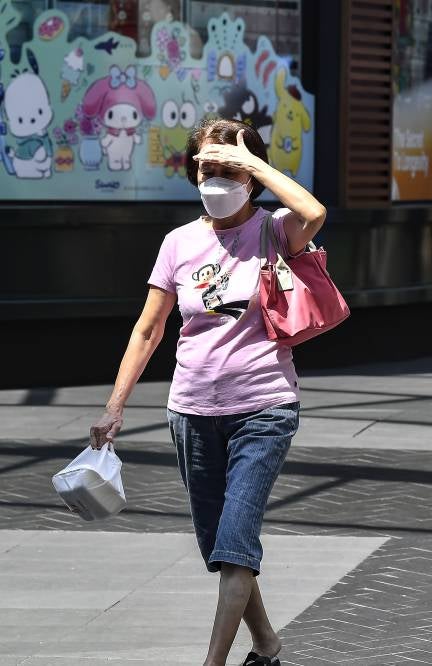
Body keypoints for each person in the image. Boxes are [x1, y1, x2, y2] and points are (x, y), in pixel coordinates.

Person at [88, 117, 328, 666]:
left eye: (227, 170)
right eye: (205, 168)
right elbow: (148, 329)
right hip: (192, 411)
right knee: (225, 547)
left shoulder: (273, 231)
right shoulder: (178, 243)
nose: (214, 180)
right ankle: (266, 643)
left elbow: (314, 213)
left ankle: (213, 662)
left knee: (236, 539)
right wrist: (114, 407)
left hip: (264, 408)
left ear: (250, 176)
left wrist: (257, 165)